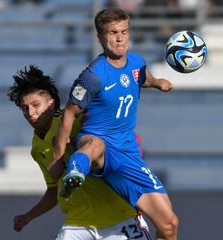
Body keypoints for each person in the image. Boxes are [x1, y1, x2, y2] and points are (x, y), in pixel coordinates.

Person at [53, 8, 178, 240]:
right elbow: (69, 113)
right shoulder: (92, 76)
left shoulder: (136, 63)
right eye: (112, 33)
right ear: (100, 38)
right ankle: (75, 171)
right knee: (95, 145)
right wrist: (58, 155)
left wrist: (158, 82)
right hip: (97, 140)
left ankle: (78, 167)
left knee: (169, 224)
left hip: (128, 153)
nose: (120, 38)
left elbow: (143, 78)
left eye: (124, 32)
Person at [7, 65, 153, 240]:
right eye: (25, 108)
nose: (30, 112)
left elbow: (107, 130)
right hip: (79, 223)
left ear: (51, 103)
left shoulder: (71, 120)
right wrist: (28, 216)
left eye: (36, 105)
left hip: (119, 216)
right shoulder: (37, 148)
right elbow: (54, 191)